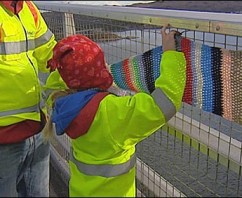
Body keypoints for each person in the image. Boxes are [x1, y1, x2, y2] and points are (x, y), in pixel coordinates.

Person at [46, 25, 186, 197]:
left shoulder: (62, 102)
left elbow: (58, 81)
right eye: (101, 62)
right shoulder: (110, 112)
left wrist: (68, 62)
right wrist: (171, 54)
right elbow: (166, 101)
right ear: (97, 71)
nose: (106, 64)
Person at [0, 1, 65, 197]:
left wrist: (81, 66)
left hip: (38, 129)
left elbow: (49, 54)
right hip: (5, 137)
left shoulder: (28, 8)